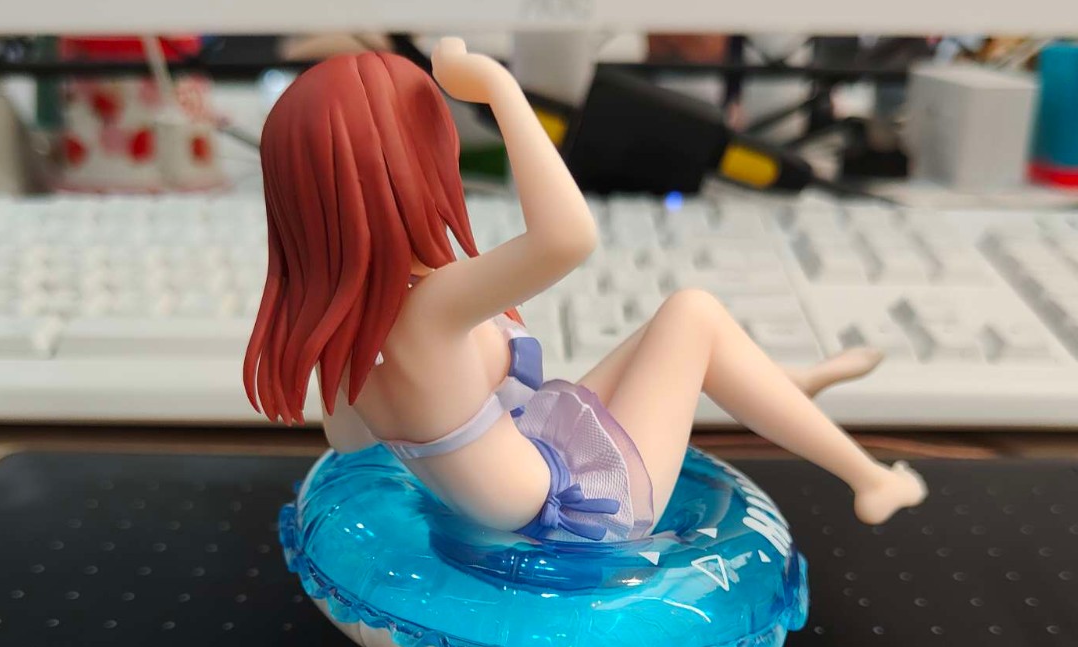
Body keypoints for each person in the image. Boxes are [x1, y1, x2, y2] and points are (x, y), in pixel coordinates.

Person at [243, 41, 927, 542]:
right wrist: (501, 91)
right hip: (582, 513)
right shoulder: (429, 310)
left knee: (670, 332)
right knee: (693, 314)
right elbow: (568, 236)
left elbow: (350, 438)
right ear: (413, 168)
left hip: (540, 457)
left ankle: (780, 387)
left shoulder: (346, 333)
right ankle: (872, 481)